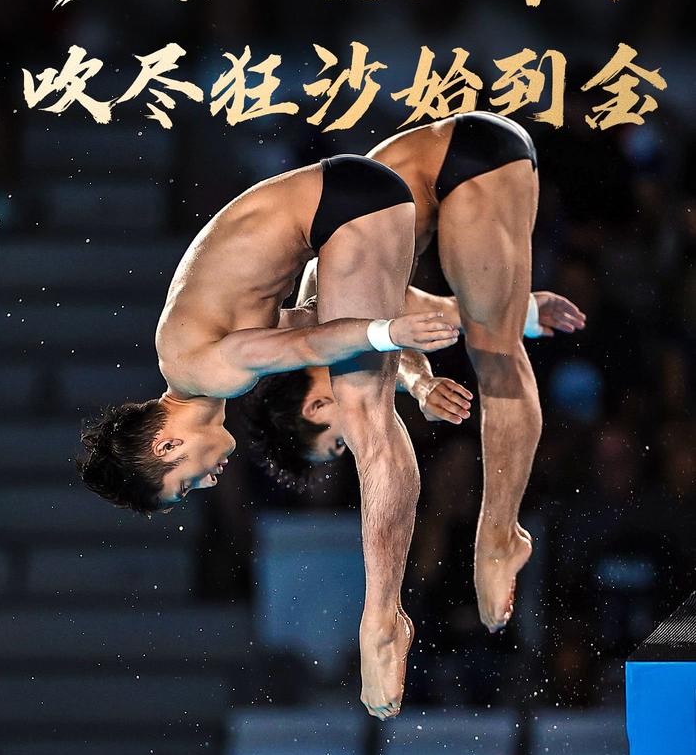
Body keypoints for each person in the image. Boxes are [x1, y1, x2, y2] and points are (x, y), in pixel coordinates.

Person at [77, 154, 461, 719]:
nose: (206, 485)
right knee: (359, 361)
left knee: (365, 417)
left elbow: (311, 346)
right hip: (345, 199)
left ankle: (381, 617)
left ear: (166, 447)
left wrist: (385, 334)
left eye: (184, 487)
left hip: (345, 205)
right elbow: (317, 326)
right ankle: (518, 315)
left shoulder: (207, 373)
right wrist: (414, 374)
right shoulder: (188, 355)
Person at [246, 113, 584, 634]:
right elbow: (410, 315)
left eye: (338, 444)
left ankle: (500, 536)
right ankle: (497, 537)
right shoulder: (328, 323)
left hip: (464, 157)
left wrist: (422, 381)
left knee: (496, 352)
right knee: (492, 335)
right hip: (468, 158)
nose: (351, 446)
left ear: (314, 407)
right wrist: (522, 311)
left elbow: (384, 333)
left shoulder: (317, 303)